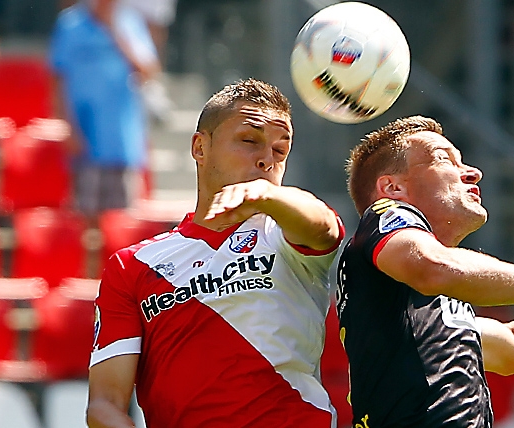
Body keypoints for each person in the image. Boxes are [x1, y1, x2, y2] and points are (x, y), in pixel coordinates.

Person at [86, 78, 345, 427]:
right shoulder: (132, 266)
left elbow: (323, 227)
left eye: (280, 150)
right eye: (249, 141)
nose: (267, 160)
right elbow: (104, 406)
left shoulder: (286, 235)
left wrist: (263, 197)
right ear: (200, 148)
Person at [337, 115, 514, 427]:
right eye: (444, 159)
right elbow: (435, 267)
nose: (473, 173)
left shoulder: (414, 302)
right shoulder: (385, 216)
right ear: (392, 187)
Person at [50, 0, 161, 278]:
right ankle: (89, 282)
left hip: (122, 141)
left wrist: (115, 31)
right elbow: (57, 78)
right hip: (86, 142)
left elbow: (148, 70)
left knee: (122, 225)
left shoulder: (129, 22)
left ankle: (121, 282)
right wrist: (69, 128)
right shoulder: (70, 24)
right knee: (85, 223)